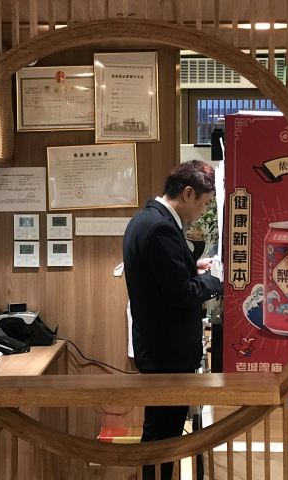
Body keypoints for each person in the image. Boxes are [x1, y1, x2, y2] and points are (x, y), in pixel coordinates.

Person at [123, 160, 223, 480]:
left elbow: (165, 280)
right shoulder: (160, 228)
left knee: (160, 433)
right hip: (167, 353)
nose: (203, 212)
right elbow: (180, 293)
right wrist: (216, 280)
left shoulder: (146, 219)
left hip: (159, 349)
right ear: (188, 193)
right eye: (204, 203)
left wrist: (195, 268)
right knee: (162, 437)